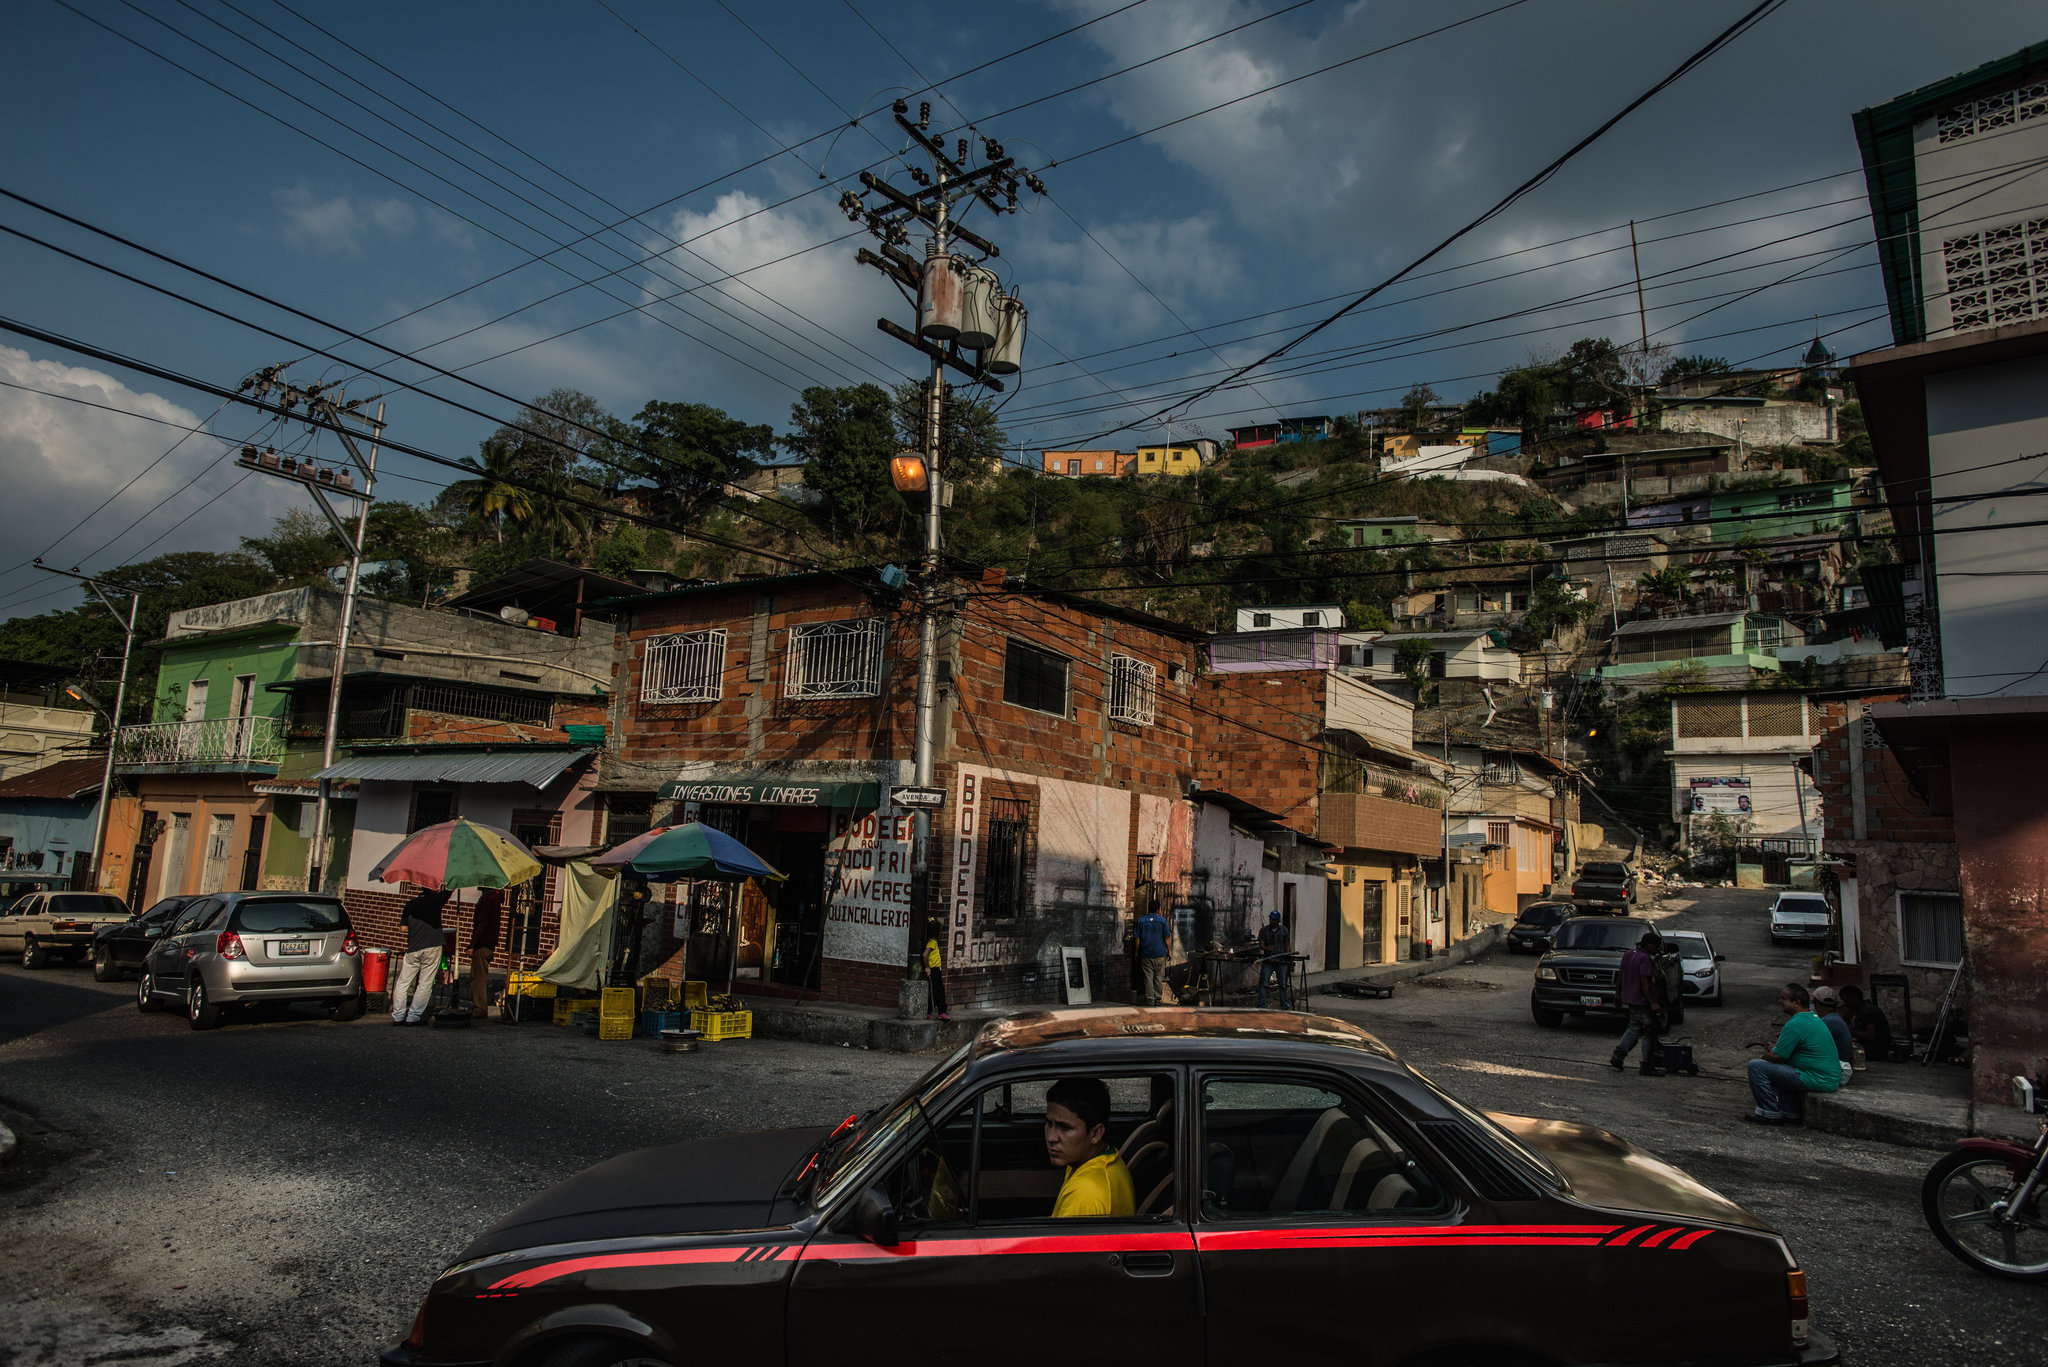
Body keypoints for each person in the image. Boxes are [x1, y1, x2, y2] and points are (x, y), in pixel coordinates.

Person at [1745, 982, 1841, 1123]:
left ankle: (1769, 1112)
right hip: (1828, 1078)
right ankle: (1791, 1112)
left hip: (1818, 1078)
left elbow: (1777, 1056)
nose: (1780, 1001)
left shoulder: (1796, 1023)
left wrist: (1765, 1056)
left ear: (1796, 1002)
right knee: (1782, 1070)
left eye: (1783, 999)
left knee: (1756, 1066)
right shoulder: (1812, 1018)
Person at [1045, 1077, 1135, 1218]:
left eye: (1064, 1127)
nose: (1051, 1137)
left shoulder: (1086, 1192)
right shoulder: (1102, 1159)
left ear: (1095, 1133)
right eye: (1049, 1123)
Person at [391, 888, 450, 1027]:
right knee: (425, 983)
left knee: (403, 982)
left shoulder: (410, 904)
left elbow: (403, 928)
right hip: (432, 946)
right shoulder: (436, 901)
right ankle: (413, 1016)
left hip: (413, 947)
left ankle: (398, 1016)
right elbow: (450, 889)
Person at [1611, 932, 1666, 1076]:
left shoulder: (1629, 954)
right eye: (1656, 946)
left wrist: (1617, 994)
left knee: (1633, 1028)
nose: (1658, 949)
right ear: (1649, 945)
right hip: (1641, 1000)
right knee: (1650, 1030)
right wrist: (1652, 1002)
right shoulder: (1645, 958)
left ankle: (1618, 1056)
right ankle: (1647, 1065)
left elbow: (1620, 974)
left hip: (1629, 999)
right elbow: (1645, 983)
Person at [467, 887, 503, 1020]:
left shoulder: (488, 899)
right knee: (478, 976)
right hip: (488, 943)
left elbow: (482, 922)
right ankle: (479, 1006)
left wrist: (472, 943)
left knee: (478, 978)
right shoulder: (495, 898)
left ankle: (480, 1008)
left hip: (483, 944)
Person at [1811, 985, 1855, 1085]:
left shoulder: (1829, 1021)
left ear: (1816, 1003)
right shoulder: (1834, 1019)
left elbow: (1810, 1044)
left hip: (1836, 1071)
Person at [1840, 984, 1893, 1063]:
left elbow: (1870, 1035)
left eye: (1846, 1000)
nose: (1845, 1004)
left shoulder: (1869, 1011)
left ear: (1854, 998)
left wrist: (1850, 1031)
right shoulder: (1856, 1011)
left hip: (1875, 1051)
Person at [1134, 903, 1171, 1006]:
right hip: (1159, 953)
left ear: (1148, 908)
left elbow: (1137, 939)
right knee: (1158, 977)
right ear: (1158, 909)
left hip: (1146, 954)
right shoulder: (1162, 921)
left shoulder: (1141, 921)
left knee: (1148, 977)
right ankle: (1158, 999)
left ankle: (1150, 999)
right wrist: (1170, 951)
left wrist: (1136, 952)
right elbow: (1167, 937)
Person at [1257, 910, 1292, 1009]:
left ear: (1277, 921)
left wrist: (1289, 958)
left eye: (1273, 920)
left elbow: (1287, 945)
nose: (1271, 921)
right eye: (1270, 919)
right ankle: (1261, 1006)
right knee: (1263, 984)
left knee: (1283, 984)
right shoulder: (1264, 930)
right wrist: (1267, 948)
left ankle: (1285, 1006)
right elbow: (1261, 945)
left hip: (1281, 960)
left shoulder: (1284, 930)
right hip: (1268, 960)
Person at [924, 934, 950, 1022]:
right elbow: (925, 955)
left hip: (936, 969)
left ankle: (936, 1011)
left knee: (937, 991)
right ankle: (940, 1011)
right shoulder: (933, 941)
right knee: (938, 991)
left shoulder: (929, 940)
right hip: (933, 969)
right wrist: (927, 967)